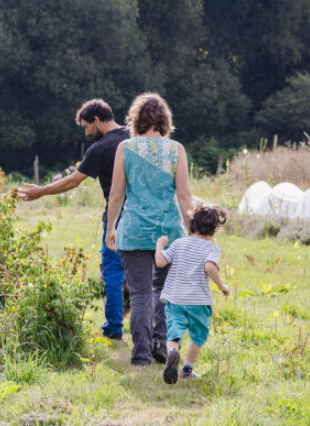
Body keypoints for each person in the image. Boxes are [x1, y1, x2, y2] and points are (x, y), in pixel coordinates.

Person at [18, 99, 131, 341]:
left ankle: (113, 328)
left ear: (97, 120)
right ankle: (153, 332)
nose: (87, 132)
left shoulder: (101, 147)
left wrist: (40, 191)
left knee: (112, 273)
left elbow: (72, 181)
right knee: (147, 274)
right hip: (146, 217)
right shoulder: (136, 136)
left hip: (118, 219)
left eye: (86, 126)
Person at [106, 92, 193, 366]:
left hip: (133, 230)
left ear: (136, 119)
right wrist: (192, 232)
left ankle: (140, 355)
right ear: (165, 120)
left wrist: (111, 226)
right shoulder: (175, 149)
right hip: (167, 232)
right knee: (164, 290)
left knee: (141, 293)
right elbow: (184, 196)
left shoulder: (126, 148)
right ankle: (161, 343)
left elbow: (116, 195)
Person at [154, 205, 230, 384]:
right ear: (214, 229)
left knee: (174, 333)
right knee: (198, 335)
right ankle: (187, 370)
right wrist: (221, 286)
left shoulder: (179, 243)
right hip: (198, 301)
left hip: (175, 299)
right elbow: (209, 267)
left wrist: (159, 246)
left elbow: (159, 262)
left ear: (192, 225)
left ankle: (172, 353)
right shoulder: (211, 248)